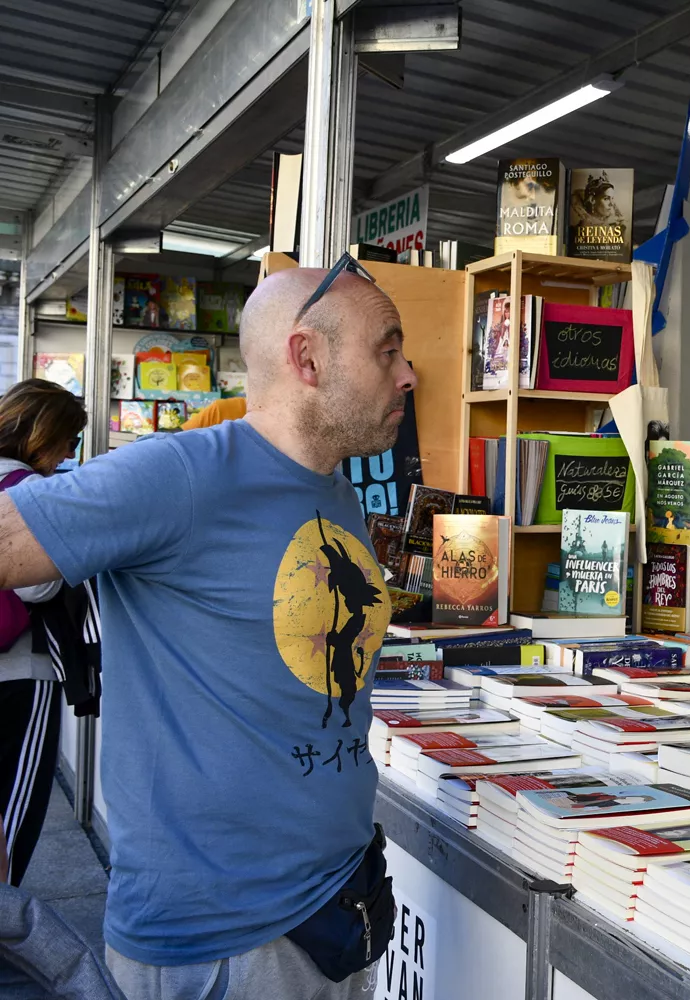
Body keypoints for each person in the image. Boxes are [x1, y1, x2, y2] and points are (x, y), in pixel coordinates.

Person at [0, 261, 416, 999]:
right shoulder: (179, 475)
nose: (409, 373)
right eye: (388, 349)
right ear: (307, 358)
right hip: (224, 947)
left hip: (337, 913)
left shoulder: (337, 491)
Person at [0, 380, 86, 887]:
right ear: (43, 435)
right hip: (18, 673)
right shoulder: (31, 490)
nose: (71, 453)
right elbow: (37, 587)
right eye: (70, 440)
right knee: (14, 813)